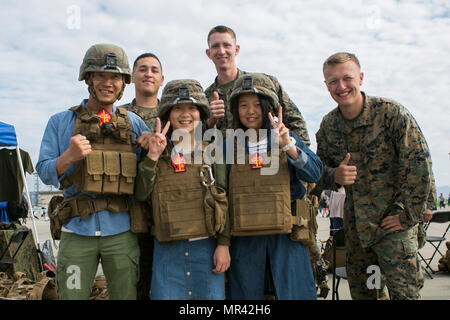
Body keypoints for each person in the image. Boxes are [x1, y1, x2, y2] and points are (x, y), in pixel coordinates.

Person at [312, 52, 436, 300]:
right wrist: (334, 175)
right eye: (333, 81)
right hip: (358, 232)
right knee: (366, 294)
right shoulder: (329, 126)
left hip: (393, 227)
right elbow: (317, 171)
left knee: (405, 295)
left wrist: (408, 216)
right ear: (326, 86)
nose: (341, 86)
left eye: (347, 78)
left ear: (361, 77)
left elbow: (419, 164)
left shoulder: (391, 115)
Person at [36, 44, 149, 300]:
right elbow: (43, 170)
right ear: (88, 78)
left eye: (115, 77)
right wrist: (68, 157)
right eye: (101, 75)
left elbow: (145, 179)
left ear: (123, 84)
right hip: (77, 232)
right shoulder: (60, 122)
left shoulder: (134, 123)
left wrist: (153, 152)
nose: (108, 83)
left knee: (125, 296)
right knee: (72, 295)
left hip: (121, 232)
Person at [225, 73, 323, 300]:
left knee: (295, 293)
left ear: (269, 106)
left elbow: (315, 172)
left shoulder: (286, 137)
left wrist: (289, 147)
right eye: (243, 105)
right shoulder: (229, 144)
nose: (250, 111)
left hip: (287, 235)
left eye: (257, 105)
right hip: (245, 235)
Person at [134, 79, 230, 300]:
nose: (185, 114)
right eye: (178, 108)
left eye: (192, 108)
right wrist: (152, 158)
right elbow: (141, 194)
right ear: (168, 113)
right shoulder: (157, 151)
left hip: (206, 248)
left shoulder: (213, 151)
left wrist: (223, 245)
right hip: (168, 251)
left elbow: (225, 199)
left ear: (201, 113)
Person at [204, 25, 310, 145]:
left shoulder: (265, 84)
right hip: (227, 161)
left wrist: (298, 155)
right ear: (208, 53)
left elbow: (296, 123)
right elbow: (194, 142)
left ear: (236, 49)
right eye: (215, 46)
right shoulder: (204, 99)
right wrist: (210, 122)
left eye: (226, 45)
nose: (221, 51)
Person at [119, 52, 164, 300]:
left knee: (164, 279)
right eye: (143, 69)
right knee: (133, 281)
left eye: (154, 70)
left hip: (166, 210)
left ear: (162, 78)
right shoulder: (118, 115)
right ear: (133, 76)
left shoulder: (173, 114)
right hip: (129, 213)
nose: (148, 74)